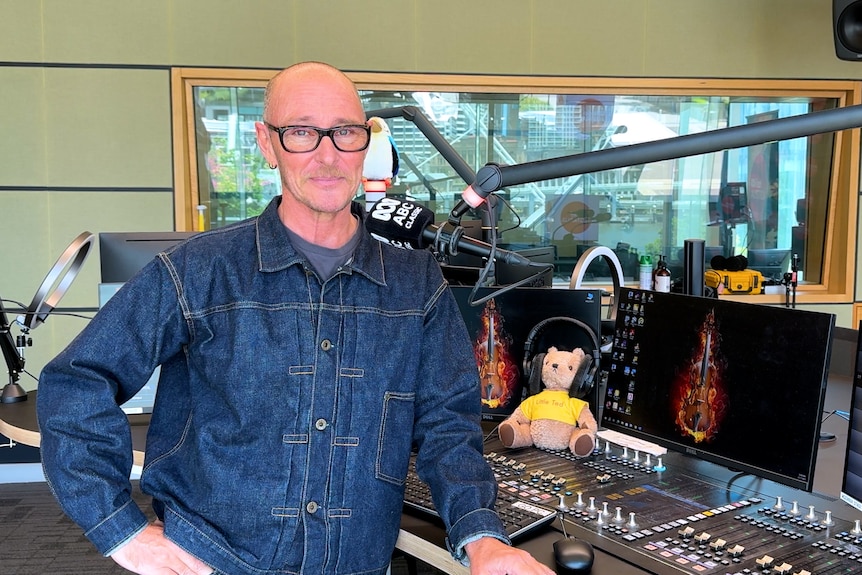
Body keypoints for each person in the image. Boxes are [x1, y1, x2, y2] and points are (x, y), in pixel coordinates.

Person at [37, 62, 555, 575]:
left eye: (346, 132)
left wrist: (482, 536)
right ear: (267, 143)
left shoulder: (417, 285)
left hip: (356, 565)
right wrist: (118, 528)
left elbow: (447, 427)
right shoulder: (198, 271)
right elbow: (76, 381)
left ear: (365, 143)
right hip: (212, 562)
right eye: (303, 133)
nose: (328, 156)